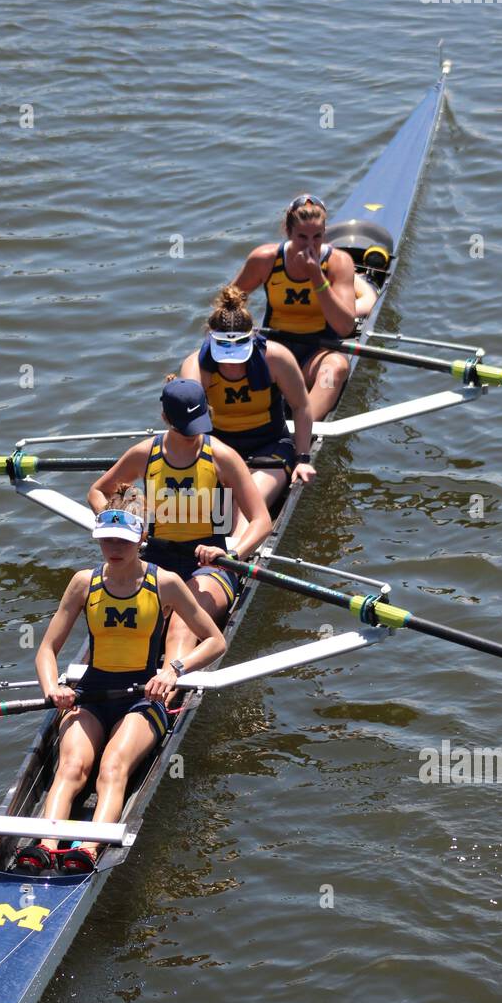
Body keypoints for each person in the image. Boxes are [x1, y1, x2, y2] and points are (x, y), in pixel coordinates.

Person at [30, 493, 225, 874]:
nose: (113, 548)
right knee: (70, 767)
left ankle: (87, 850)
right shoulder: (83, 583)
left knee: (113, 767)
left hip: (142, 698)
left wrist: (173, 670)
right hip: (91, 694)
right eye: (106, 538)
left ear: (141, 539)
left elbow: (216, 640)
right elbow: (46, 650)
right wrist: (53, 688)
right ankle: (44, 846)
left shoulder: (164, 583)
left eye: (121, 540)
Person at [87, 377, 271, 675]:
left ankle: (168, 689)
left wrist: (234, 556)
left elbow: (262, 521)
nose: (193, 435)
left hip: (211, 564)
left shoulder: (222, 456)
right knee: (132, 626)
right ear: (165, 419)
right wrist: (116, 520)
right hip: (157, 559)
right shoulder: (145, 454)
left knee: (181, 626)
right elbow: (98, 491)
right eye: (186, 429)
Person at [178, 283, 315, 539]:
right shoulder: (196, 367)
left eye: (238, 354)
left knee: (248, 497)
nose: (231, 365)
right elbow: (187, 424)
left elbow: (301, 406)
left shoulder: (276, 358)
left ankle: (233, 561)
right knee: (192, 509)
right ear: (210, 338)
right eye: (225, 355)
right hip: (219, 449)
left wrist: (303, 458)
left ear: (252, 338)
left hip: (270, 446)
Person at [231, 193, 378, 421]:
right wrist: (239, 329)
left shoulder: (339, 263)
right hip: (275, 352)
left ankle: (302, 429)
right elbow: (229, 302)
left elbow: (344, 326)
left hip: (317, 353)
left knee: (336, 368)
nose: (310, 246)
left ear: (325, 233)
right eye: (302, 237)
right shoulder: (265, 259)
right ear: (287, 232)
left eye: (317, 237)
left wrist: (317, 278)